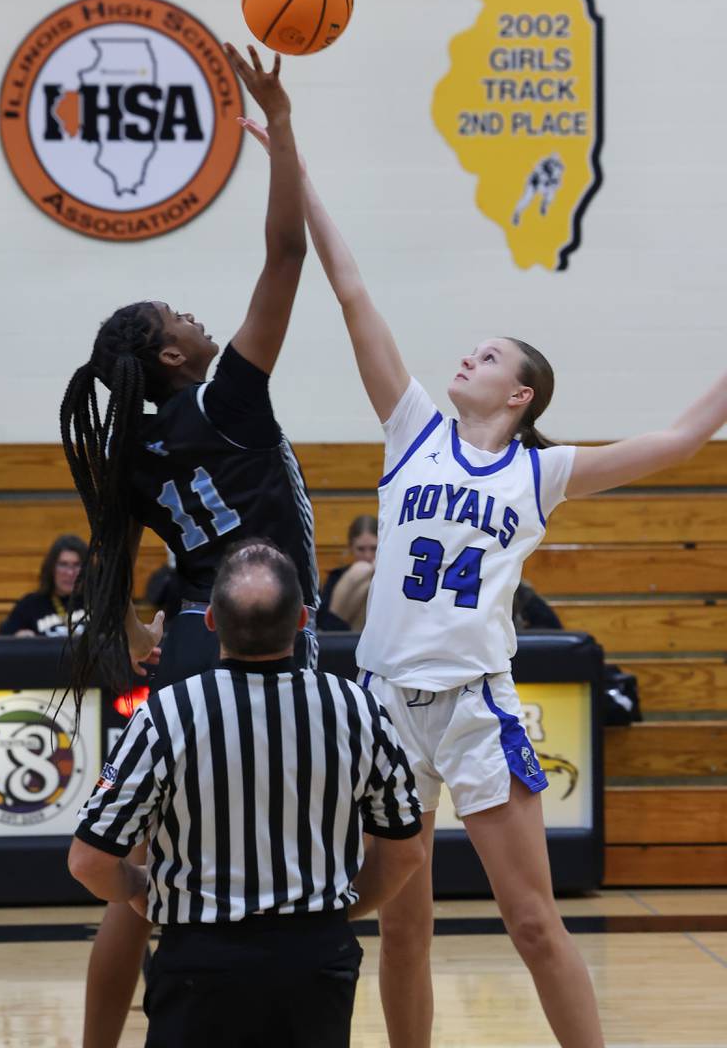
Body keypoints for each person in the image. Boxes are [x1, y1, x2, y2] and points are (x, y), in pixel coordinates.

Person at [243, 116, 727, 1048]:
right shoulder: (412, 427)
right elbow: (350, 291)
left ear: (521, 397)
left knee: (535, 922)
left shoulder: (539, 473)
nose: (468, 355)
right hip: (382, 705)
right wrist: (291, 158)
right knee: (403, 925)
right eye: (472, 348)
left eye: (491, 356)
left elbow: (677, 441)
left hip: (474, 707)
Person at [60, 47, 320, 1048]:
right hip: (261, 633)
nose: (196, 315)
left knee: (153, 869)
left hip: (195, 647)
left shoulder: (130, 451)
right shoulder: (225, 400)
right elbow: (286, 259)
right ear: (173, 355)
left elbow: (116, 572)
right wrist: (281, 128)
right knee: (275, 849)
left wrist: (140, 623)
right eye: (180, 316)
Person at [68, 540, 424, 1048]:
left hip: (200, 964)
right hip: (315, 962)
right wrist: (332, 914)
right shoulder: (357, 710)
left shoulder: (165, 714)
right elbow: (406, 849)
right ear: (303, 619)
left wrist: (139, 892)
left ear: (210, 620)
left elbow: (88, 861)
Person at [0, 534, 87, 637]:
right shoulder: (30, 605)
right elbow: (2, 641)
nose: (70, 573)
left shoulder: (100, 602)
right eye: (63, 564)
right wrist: (18, 637)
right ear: (51, 568)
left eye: (77, 565)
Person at [318, 514, 378, 632]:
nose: (368, 555)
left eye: (374, 548)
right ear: (351, 547)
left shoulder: (393, 578)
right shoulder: (337, 577)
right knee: (362, 571)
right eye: (361, 549)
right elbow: (324, 623)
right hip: (340, 638)